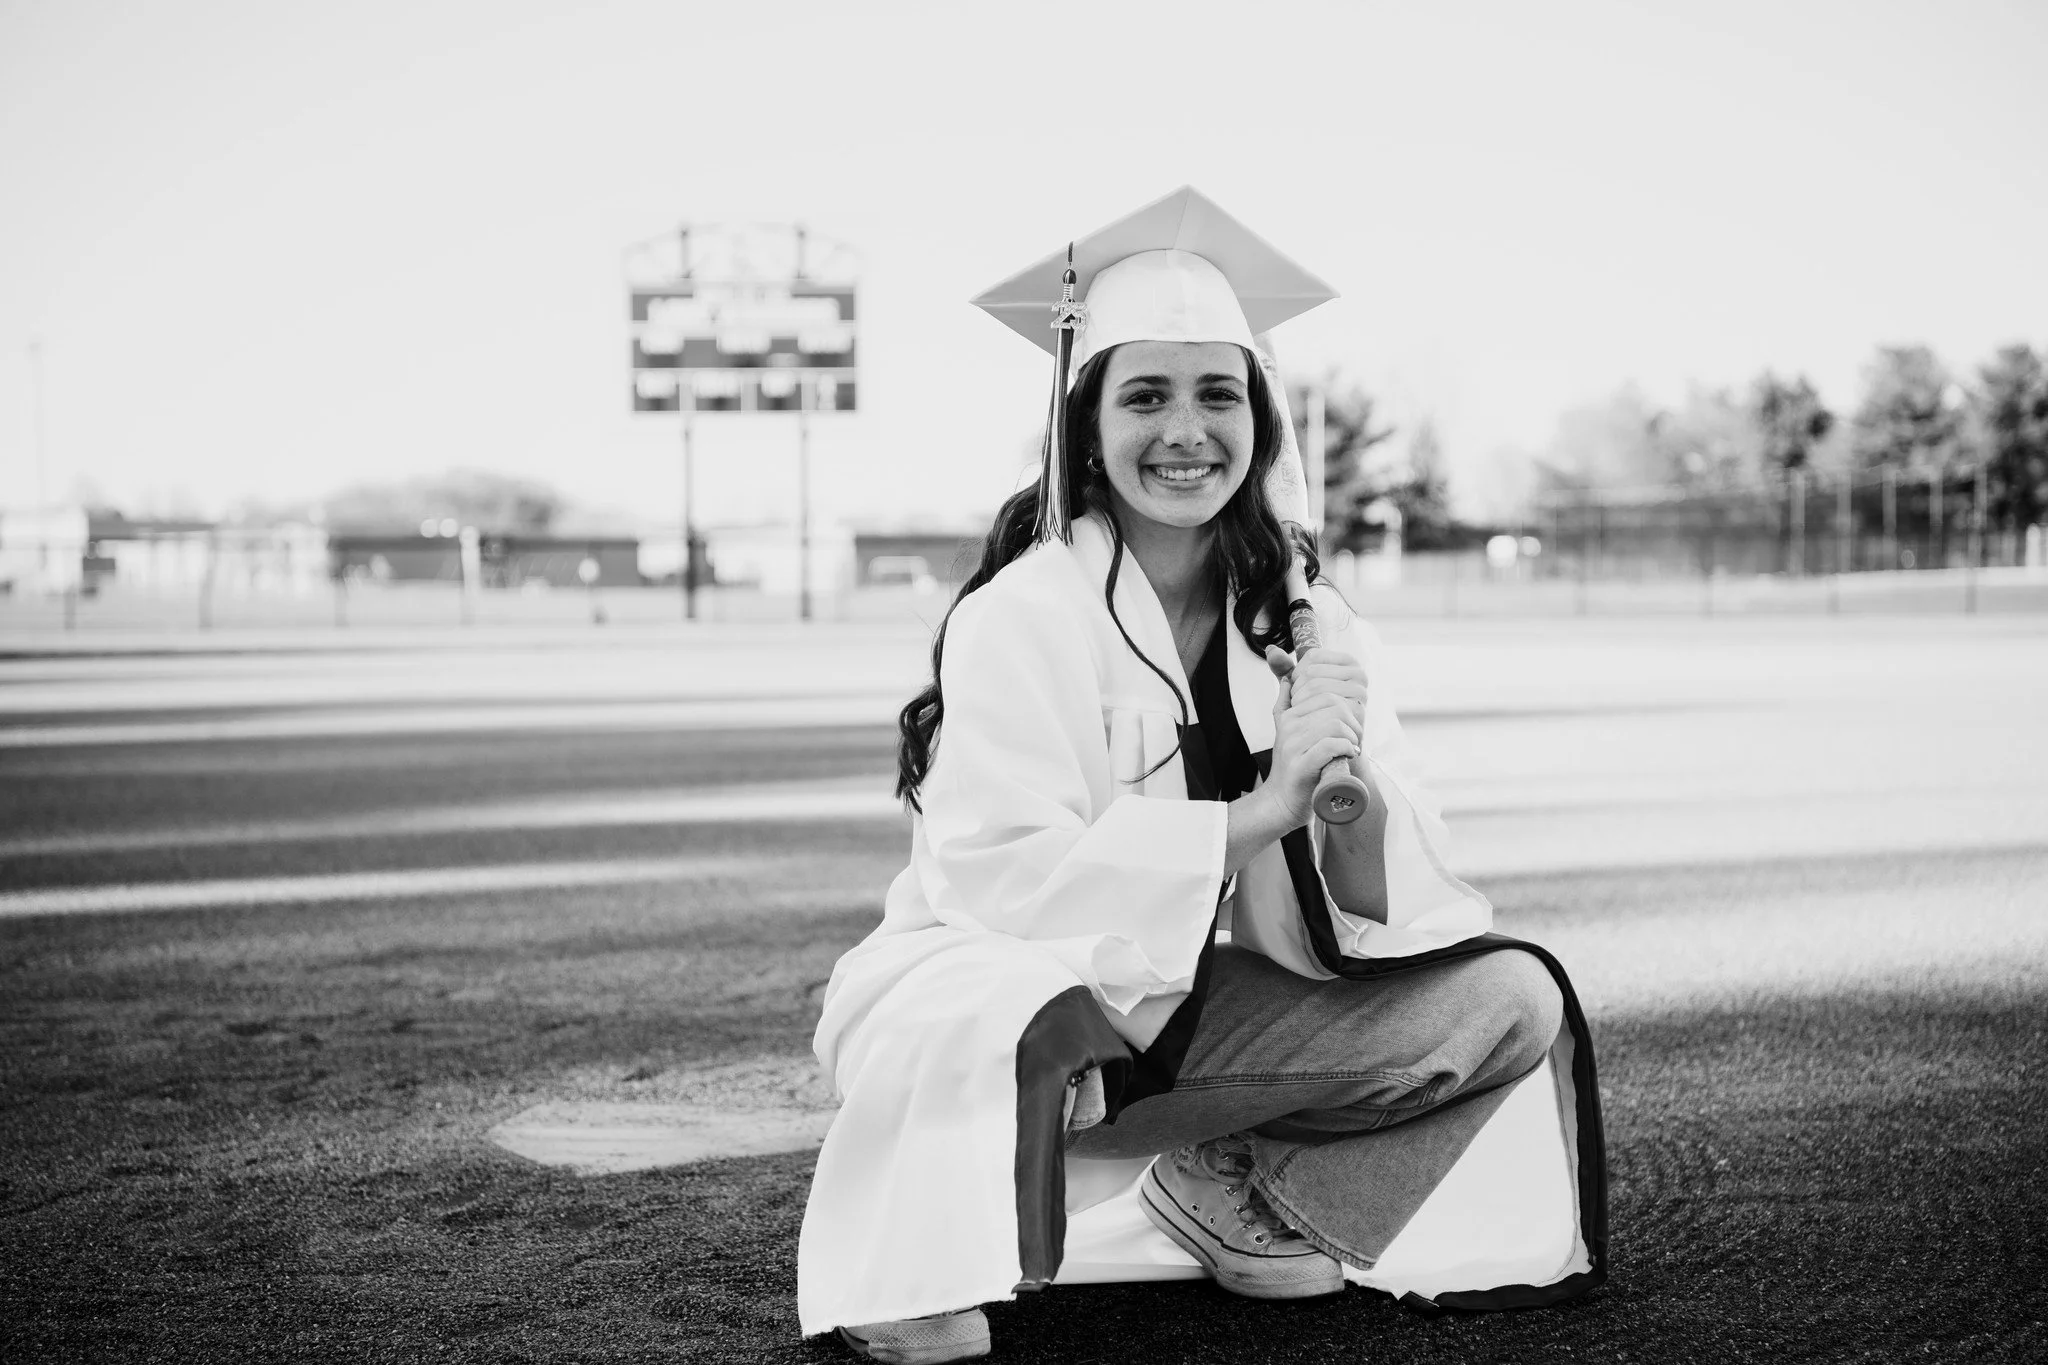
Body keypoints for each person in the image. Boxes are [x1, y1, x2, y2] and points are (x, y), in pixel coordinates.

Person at [798, 188, 1606, 1365]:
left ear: (1260, 422)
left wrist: (1338, 784)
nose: (1186, 431)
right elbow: (999, 878)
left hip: (1209, 1006)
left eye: (1217, 393)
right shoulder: (1022, 615)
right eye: (1145, 396)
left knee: (1508, 1005)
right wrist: (1256, 810)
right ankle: (919, 1243)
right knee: (951, 1277)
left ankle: (1239, 1181)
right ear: (1084, 430)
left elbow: (1393, 894)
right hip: (1027, 994)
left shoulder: (1303, 617)